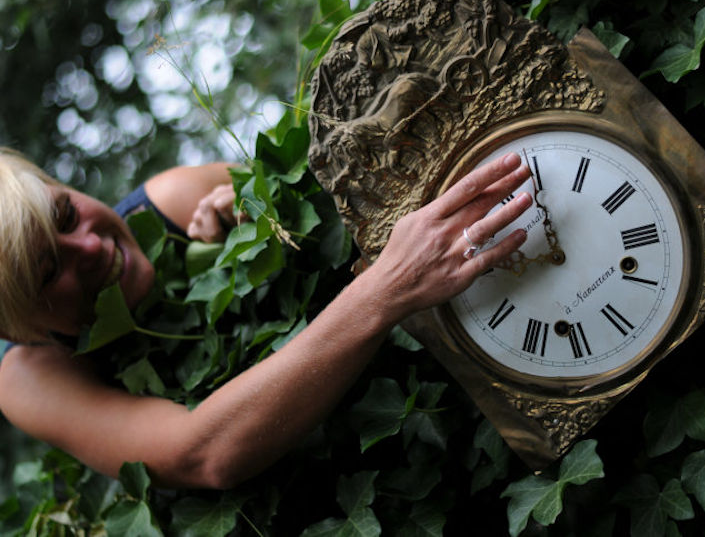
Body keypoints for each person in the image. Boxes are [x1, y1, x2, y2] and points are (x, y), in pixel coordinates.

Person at [0, 147, 532, 489]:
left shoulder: (174, 198)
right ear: (13, 326)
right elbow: (199, 454)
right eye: (50, 271)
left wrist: (267, 223)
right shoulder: (25, 375)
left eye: (66, 213)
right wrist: (384, 291)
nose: (89, 245)